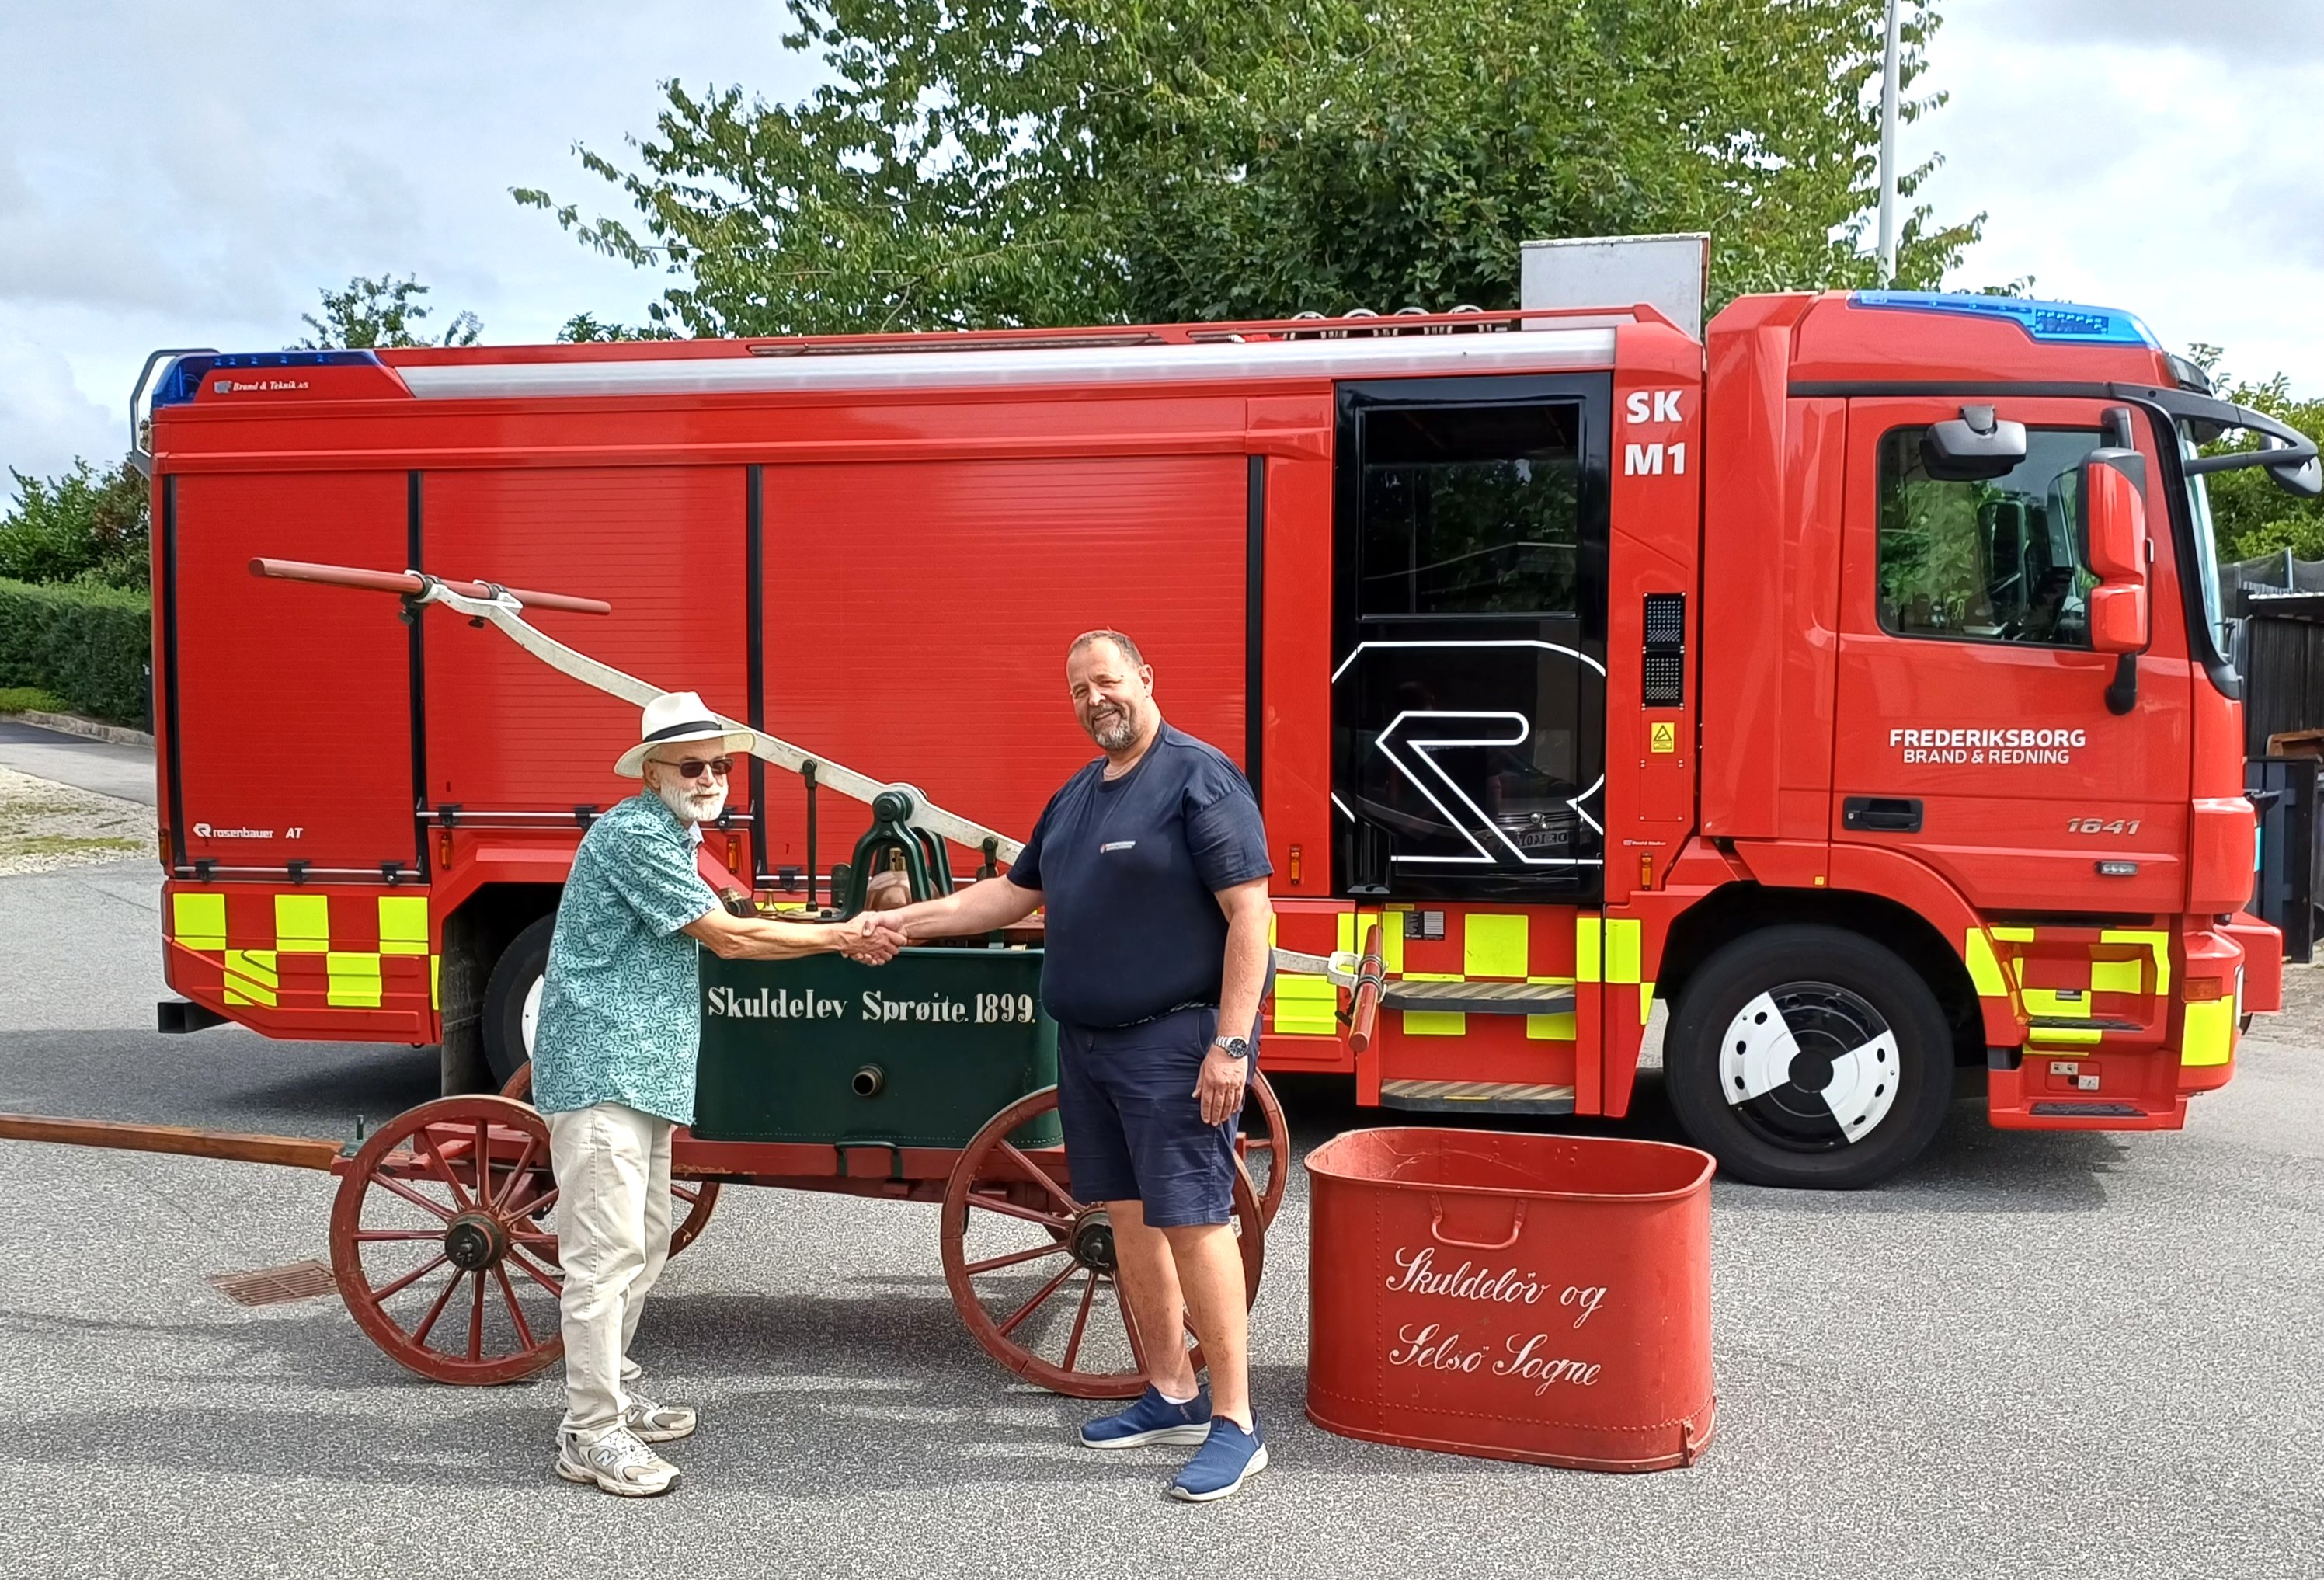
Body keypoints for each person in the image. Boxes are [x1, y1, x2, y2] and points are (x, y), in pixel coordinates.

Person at [859, 632, 1274, 1502]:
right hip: (1086, 1043)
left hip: (1173, 1041)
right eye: (1079, 690)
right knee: (1127, 1221)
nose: (1095, 700)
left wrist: (1231, 1044)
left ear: (1146, 680)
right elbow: (1010, 896)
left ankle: (1236, 1422)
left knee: (1196, 1223)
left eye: (1107, 682)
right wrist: (905, 925)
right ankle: (1170, 1392)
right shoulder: (1078, 796)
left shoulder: (1200, 777)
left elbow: (1250, 916)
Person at [535, 690, 899, 1497]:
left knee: (649, 1238)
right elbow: (729, 938)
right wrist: (844, 935)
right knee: (603, 1256)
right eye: (691, 765)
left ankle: (615, 1390)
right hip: (603, 1066)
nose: (709, 777)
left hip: (646, 1069)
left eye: (718, 765)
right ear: (653, 773)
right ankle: (587, 1432)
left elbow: (733, 918)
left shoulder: (677, 833)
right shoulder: (633, 833)